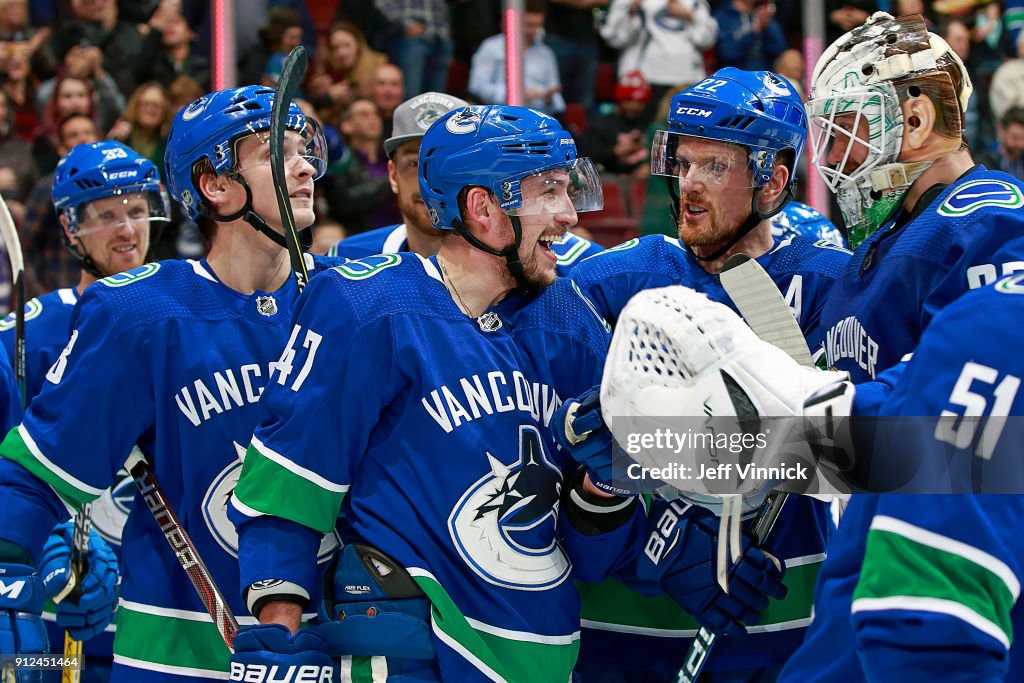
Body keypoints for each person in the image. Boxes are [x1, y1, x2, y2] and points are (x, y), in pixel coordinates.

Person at [227, 105, 653, 682]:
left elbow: (597, 560)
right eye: (549, 191)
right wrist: (278, 628)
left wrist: (604, 486)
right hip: (408, 656)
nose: (570, 214)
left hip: (545, 657)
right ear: (483, 208)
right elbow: (289, 489)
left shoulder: (571, 324)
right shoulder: (366, 308)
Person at [0, 84, 345, 681]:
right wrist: (7, 571)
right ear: (213, 184)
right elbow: (38, 474)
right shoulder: (138, 314)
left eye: (304, 150)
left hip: (331, 646)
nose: (304, 166)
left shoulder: (356, 302)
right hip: (176, 654)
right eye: (274, 152)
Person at [559, 68, 850, 680]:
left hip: (780, 625)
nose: (687, 185)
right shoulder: (618, 281)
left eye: (714, 166)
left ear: (772, 180)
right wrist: (659, 542)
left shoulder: (837, 288)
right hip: (621, 633)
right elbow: (552, 450)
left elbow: (869, 453)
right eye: (683, 162)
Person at [0, 139, 167, 680]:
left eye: (137, 210)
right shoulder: (35, 330)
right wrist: (43, 531)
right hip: (51, 625)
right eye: (106, 215)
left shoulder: (183, 322)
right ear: (72, 228)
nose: (126, 228)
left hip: (159, 618)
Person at [329, 90, 603, 270]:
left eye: (451, 168)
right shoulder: (348, 259)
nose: (432, 182)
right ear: (392, 175)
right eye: (415, 164)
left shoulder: (578, 262)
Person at [468, 0, 565, 114]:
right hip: (500, 115)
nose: (533, 31)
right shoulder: (491, 47)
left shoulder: (546, 53)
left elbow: (559, 102)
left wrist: (549, 99)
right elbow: (477, 87)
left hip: (537, 119)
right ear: (515, 21)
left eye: (538, 26)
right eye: (529, 25)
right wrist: (517, 93)